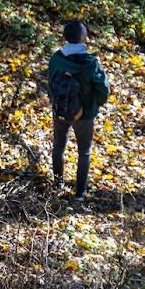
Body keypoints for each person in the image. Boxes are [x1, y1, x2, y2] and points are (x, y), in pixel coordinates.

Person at [47, 20, 110, 200]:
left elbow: (50, 83)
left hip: (59, 110)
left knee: (58, 146)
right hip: (84, 115)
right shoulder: (91, 63)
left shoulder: (56, 58)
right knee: (84, 151)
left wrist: (56, 101)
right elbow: (103, 91)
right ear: (83, 38)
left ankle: (58, 182)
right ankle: (80, 193)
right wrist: (92, 105)